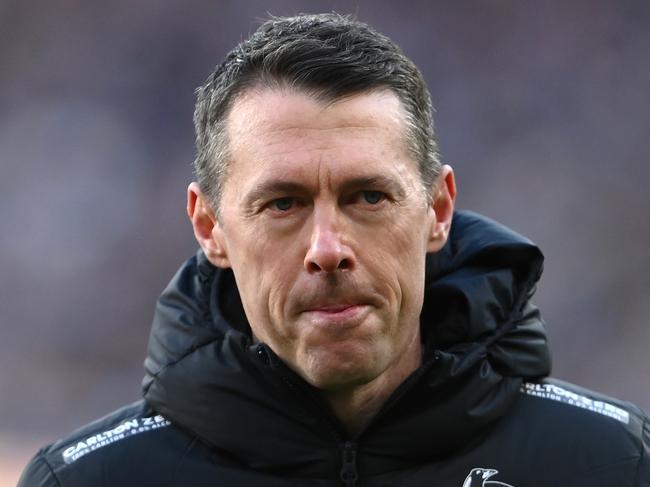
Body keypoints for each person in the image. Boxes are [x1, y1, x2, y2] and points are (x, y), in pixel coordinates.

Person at [18, 13, 649, 487]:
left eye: (369, 196)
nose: (328, 249)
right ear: (210, 227)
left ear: (437, 210)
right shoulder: (91, 481)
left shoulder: (610, 462)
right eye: (283, 204)